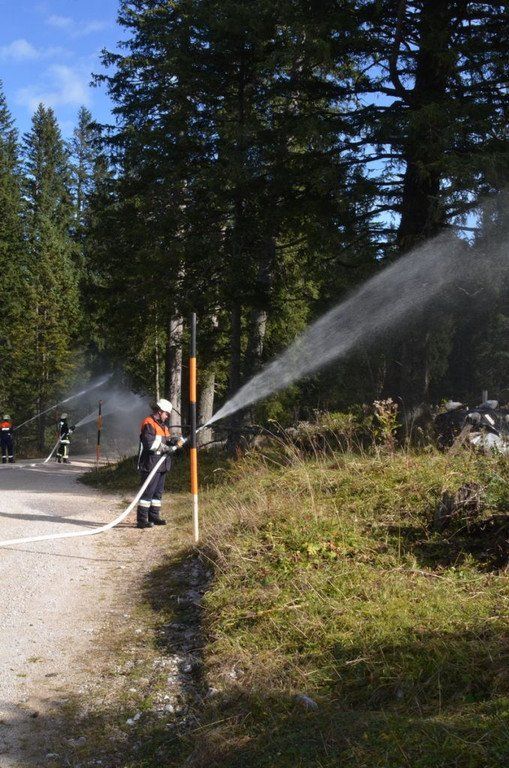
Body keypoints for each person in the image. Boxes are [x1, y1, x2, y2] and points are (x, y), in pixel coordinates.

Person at [137, 399, 184, 529]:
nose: (167, 416)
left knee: (157, 493)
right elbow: (149, 443)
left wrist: (175, 441)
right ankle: (142, 520)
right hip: (151, 463)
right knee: (148, 492)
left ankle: (154, 517)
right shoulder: (149, 423)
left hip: (162, 464)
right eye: (166, 414)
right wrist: (167, 448)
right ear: (160, 411)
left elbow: (166, 440)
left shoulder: (163, 426)